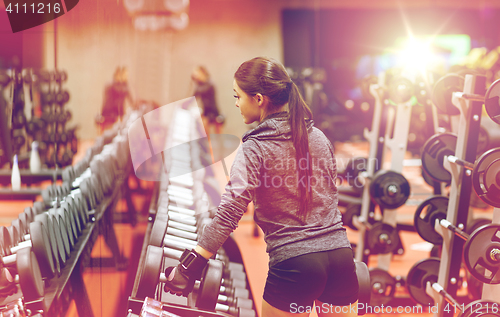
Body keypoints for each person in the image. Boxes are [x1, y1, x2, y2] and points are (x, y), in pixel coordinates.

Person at [165, 57, 359, 317]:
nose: (235, 104)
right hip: (341, 259)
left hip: (296, 265)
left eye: (238, 96)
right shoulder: (319, 137)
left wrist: (190, 266)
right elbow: (330, 197)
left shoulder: (254, 147)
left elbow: (229, 213)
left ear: (258, 99)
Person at [191, 66, 224, 134]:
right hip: (206, 111)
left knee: (218, 133)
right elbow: (194, 97)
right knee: (204, 132)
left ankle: (219, 144)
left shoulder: (210, 84)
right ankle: (208, 144)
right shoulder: (199, 85)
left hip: (214, 111)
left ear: (202, 73)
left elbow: (203, 91)